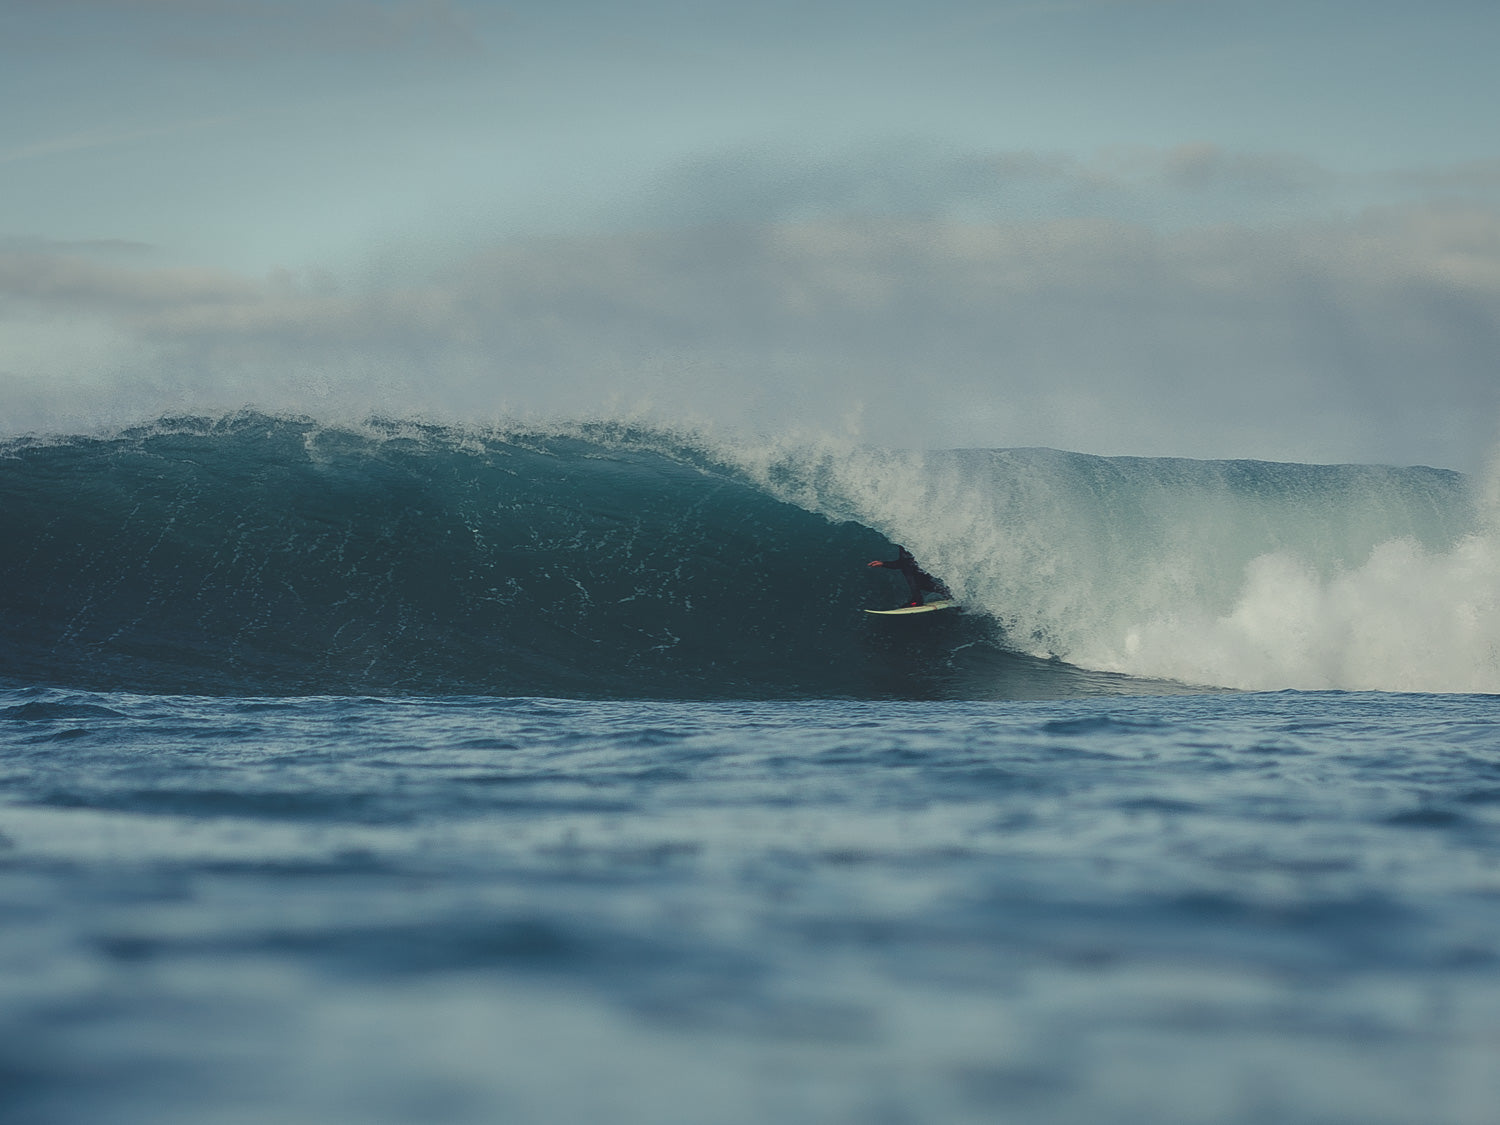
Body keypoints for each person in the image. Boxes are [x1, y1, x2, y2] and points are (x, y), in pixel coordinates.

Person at [867, 546, 951, 607]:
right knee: (925, 584)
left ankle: (917, 599)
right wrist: (883, 564)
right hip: (920, 570)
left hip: (919, 569)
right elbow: (901, 562)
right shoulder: (906, 544)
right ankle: (949, 593)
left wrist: (884, 564)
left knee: (909, 568)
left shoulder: (910, 541)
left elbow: (903, 563)